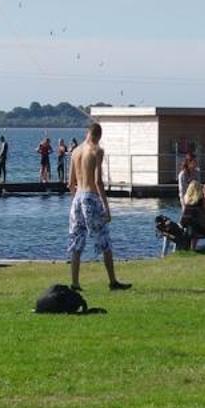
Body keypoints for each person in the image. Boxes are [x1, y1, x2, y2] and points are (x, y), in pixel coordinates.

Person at [67, 121, 131, 292]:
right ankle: (112, 281)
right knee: (104, 239)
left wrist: (76, 201)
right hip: (90, 196)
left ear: (87, 133)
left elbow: (70, 183)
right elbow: (98, 181)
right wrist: (106, 207)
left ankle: (75, 282)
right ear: (98, 136)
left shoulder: (75, 151)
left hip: (77, 198)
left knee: (77, 240)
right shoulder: (97, 150)